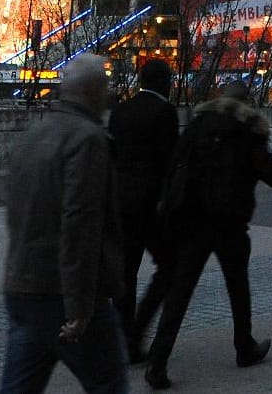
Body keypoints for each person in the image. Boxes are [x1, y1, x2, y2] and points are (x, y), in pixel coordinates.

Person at [144, 81, 272, 390]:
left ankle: (158, 360)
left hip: (193, 221)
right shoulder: (249, 131)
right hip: (230, 221)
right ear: (247, 103)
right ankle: (244, 347)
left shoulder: (198, 125)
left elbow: (173, 168)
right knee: (237, 287)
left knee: (180, 290)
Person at [0, 53, 128, 393]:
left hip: (23, 284)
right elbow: (80, 225)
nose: (110, 94)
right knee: (109, 384)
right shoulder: (88, 140)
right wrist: (80, 306)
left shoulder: (33, 136)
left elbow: (16, 212)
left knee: (19, 386)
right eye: (106, 87)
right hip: (62, 292)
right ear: (94, 92)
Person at [108, 59, 179, 363]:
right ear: (166, 83)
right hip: (150, 204)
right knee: (169, 267)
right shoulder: (165, 113)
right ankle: (136, 331)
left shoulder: (121, 111)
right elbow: (170, 163)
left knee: (125, 271)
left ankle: (124, 336)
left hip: (121, 201)